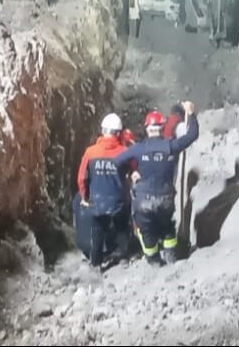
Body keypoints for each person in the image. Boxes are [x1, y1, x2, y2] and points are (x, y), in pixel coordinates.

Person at [114, 101, 200, 266]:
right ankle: (171, 258)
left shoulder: (138, 148)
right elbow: (192, 135)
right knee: (167, 228)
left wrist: (131, 173)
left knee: (146, 231)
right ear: (162, 127)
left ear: (147, 129)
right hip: (165, 198)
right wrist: (191, 113)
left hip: (144, 199)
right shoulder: (171, 146)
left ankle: (153, 261)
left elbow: (117, 162)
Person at [77, 113, 133, 267]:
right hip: (119, 201)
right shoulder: (124, 152)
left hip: (98, 201)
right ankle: (123, 258)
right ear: (118, 133)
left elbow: (82, 178)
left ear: (102, 130)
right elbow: (134, 171)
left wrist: (85, 197)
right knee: (122, 226)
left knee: (97, 231)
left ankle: (95, 263)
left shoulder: (91, 152)